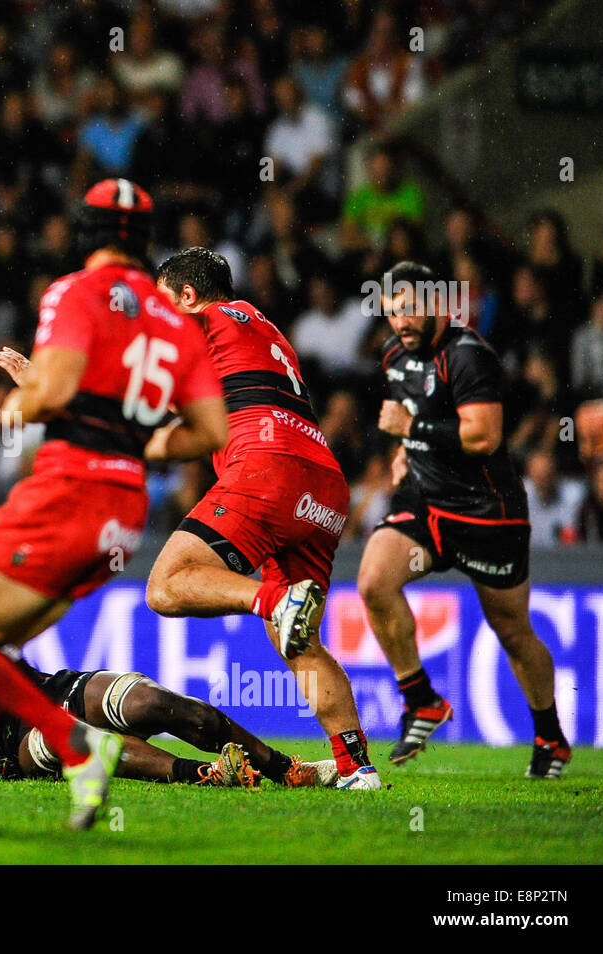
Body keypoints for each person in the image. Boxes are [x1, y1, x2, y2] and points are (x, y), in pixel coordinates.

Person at [0, 179, 229, 830]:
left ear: (87, 232)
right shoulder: (176, 319)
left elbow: (55, 389)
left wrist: (19, 403)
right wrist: (130, 447)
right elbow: (210, 432)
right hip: (124, 509)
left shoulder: (74, 291)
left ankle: (76, 746)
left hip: (68, 490)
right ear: (144, 243)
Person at [0, 508, 337, 789]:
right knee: (80, 741)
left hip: (49, 689)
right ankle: (205, 775)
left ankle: (285, 768)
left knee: (155, 706)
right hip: (10, 748)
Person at [147, 247, 379, 790]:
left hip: (268, 467)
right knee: (296, 641)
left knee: (165, 585)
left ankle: (272, 600)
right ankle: (355, 767)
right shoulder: (261, 330)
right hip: (323, 485)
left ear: (186, 296)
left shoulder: (206, 318)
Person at [357, 261, 571, 779]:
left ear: (438, 306)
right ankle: (421, 699)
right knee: (372, 582)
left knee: (513, 630)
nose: (401, 323)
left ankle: (550, 738)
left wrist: (412, 427)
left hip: (486, 512)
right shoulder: (393, 354)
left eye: (411, 310)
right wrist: (406, 449)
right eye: (392, 313)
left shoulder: (468, 355)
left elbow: (483, 436)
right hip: (426, 504)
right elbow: (416, 420)